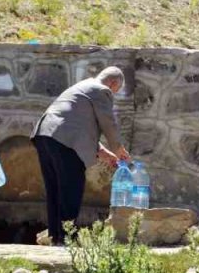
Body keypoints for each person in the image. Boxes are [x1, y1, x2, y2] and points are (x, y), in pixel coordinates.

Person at [32, 67, 131, 245]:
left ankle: (57, 237)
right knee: (71, 188)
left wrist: (102, 151)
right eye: (116, 90)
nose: (113, 94)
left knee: (55, 189)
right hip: (63, 139)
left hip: (45, 134)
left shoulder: (84, 86)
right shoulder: (102, 90)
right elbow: (108, 121)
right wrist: (118, 149)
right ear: (114, 83)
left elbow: (77, 124)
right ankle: (66, 237)